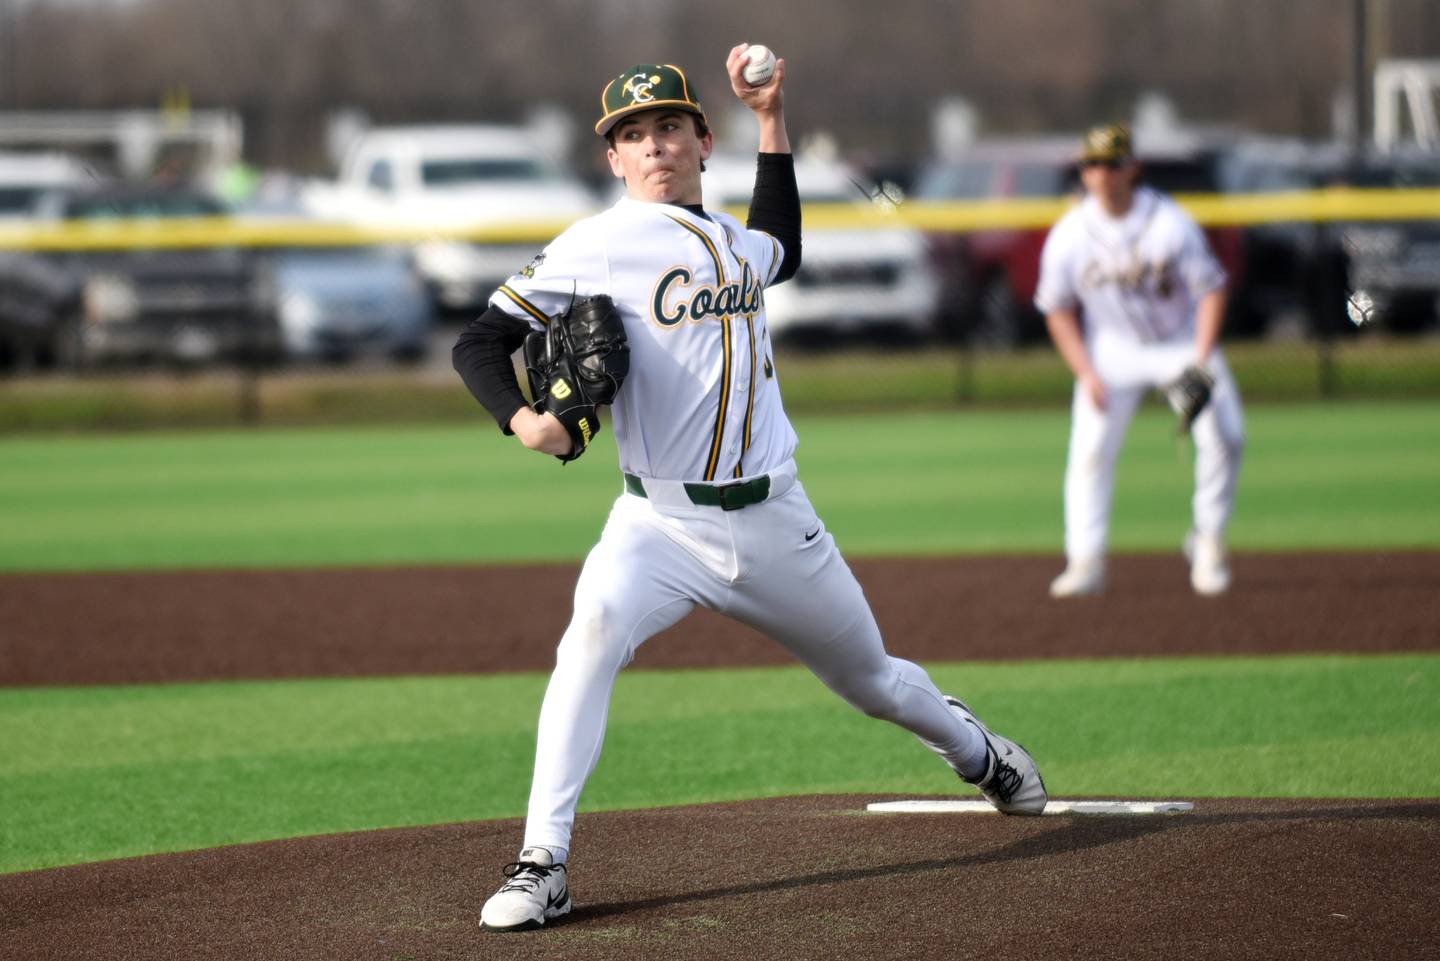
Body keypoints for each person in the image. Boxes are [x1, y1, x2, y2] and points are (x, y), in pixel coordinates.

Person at [452, 46, 1047, 933]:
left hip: (775, 519)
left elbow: (786, 247)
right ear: (611, 159)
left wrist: (772, 119)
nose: (652, 145)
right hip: (656, 521)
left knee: (873, 681)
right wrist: (520, 419)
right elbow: (478, 341)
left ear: (701, 140)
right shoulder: (596, 243)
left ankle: (979, 752)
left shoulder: (733, 239)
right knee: (587, 643)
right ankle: (544, 860)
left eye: (667, 127)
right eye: (631, 135)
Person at [1035, 124, 1245, 598]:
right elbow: (1057, 310)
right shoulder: (1070, 233)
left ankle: (1207, 539)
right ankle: (1085, 559)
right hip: (1111, 349)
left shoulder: (1169, 223)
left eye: (1111, 163)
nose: (1101, 174)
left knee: (1226, 436)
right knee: (1089, 449)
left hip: (1180, 342)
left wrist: (1201, 358)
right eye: (1092, 164)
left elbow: (1210, 289)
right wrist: (1085, 372)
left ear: (1133, 168)